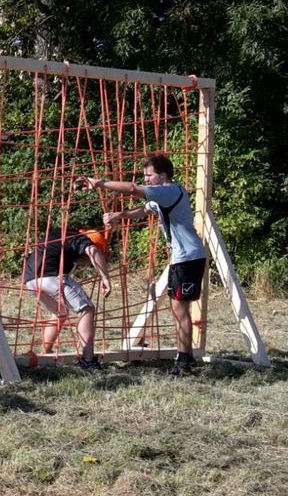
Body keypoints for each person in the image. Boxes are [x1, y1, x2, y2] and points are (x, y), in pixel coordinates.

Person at [77, 152, 207, 376]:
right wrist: (120, 215)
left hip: (189, 258)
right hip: (182, 258)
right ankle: (185, 357)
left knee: (180, 309)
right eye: (144, 176)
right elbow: (144, 210)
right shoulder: (162, 196)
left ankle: (184, 363)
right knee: (177, 308)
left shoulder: (169, 190)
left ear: (163, 175)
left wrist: (98, 183)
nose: (146, 179)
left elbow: (131, 189)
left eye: (149, 175)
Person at [22, 227, 113, 370]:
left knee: (60, 312)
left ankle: (45, 353)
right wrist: (105, 278)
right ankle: (88, 360)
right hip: (50, 276)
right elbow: (93, 251)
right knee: (86, 308)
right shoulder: (81, 239)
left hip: (30, 280)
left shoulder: (61, 234)